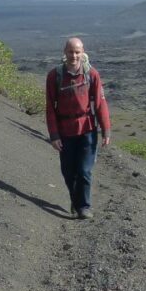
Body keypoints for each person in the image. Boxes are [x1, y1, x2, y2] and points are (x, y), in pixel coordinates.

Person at [46, 37, 111, 219]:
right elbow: (50, 107)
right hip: (65, 131)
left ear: (83, 52)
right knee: (68, 172)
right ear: (64, 52)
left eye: (77, 52)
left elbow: (100, 104)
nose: (74, 55)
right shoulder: (54, 76)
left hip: (87, 129)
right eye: (70, 52)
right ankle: (76, 202)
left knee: (84, 170)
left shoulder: (92, 74)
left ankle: (84, 206)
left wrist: (106, 130)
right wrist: (54, 135)